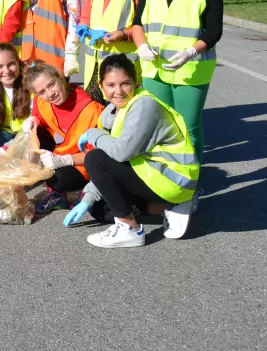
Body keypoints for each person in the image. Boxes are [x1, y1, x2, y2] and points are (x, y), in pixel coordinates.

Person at [63, 55, 200, 248]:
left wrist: (93, 134)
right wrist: (87, 198)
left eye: (125, 84)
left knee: (94, 157)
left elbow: (118, 154)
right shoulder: (110, 112)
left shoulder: (144, 105)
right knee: (100, 208)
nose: (118, 91)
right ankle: (169, 207)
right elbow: (110, 166)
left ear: (136, 83)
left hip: (172, 177)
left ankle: (130, 229)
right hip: (152, 174)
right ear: (101, 86)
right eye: (111, 85)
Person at [131, 0, 222, 163]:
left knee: (187, 128)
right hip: (154, 70)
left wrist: (191, 52)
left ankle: (189, 187)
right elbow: (137, 23)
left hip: (190, 71)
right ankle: (167, 180)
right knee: (159, 128)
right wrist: (141, 46)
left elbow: (214, 31)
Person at [21, 61, 104, 214]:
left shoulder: (90, 109)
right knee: (35, 133)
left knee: (59, 177)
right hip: (58, 154)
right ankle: (62, 191)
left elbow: (97, 155)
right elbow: (39, 114)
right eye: (42, 91)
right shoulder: (40, 101)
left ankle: (67, 193)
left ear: (61, 78)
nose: (50, 93)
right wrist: (33, 119)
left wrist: (65, 160)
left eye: (52, 84)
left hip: (83, 162)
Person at [79, 0, 142, 104]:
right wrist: (83, 26)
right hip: (95, 67)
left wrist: (124, 34)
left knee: (124, 113)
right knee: (96, 113)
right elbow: (85, 16)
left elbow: (144, 26)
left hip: (123, 65)